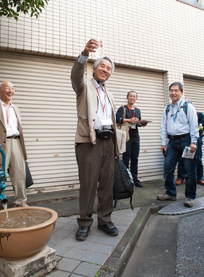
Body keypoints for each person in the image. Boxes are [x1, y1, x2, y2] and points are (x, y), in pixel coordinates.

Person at [71, 39, 120, 241]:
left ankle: (105, 219)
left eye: (109, 68)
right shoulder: (84, 86)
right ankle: (84, 222)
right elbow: (75, 74)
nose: (106, 70)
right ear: (94, 68)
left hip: (108, 141)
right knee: (88, 183)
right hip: (89, 142)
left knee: (107, 183)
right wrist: (84, 53)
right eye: (102, 66)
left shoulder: (109, 93)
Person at [159, 82, 199, 208]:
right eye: (171, 90)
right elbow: (163, 127)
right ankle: (171, 193)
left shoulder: (188, 107)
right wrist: (163, 143)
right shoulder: (167, 109)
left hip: (186, 141)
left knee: (189, 171)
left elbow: (194, 125)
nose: (173, 93)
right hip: (172, 142)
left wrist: (194, 142)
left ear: (181, 92)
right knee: (168, 168)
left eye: (176, 90)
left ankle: (190, 197)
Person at [116, 91, 147, 188]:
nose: (132, 98)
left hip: (135, 138)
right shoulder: (123, 108)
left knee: (135, 160)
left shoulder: (137, 110)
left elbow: (138, 123)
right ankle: (126, 181)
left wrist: (141, 124)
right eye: (130, 96)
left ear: (136, 99)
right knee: (126, 160)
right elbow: (117, 119)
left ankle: (135, 179)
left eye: (134, 96)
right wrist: (129, 120)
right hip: (126, 138)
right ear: (127, 98)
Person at [175, 102, 204, 186]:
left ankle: (200, 178)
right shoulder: (181, 115)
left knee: (198, 159)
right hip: (184, 140)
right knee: (182, 159)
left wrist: (198, 127)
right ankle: (180, 177)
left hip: (197, 140)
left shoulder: (199, 115)